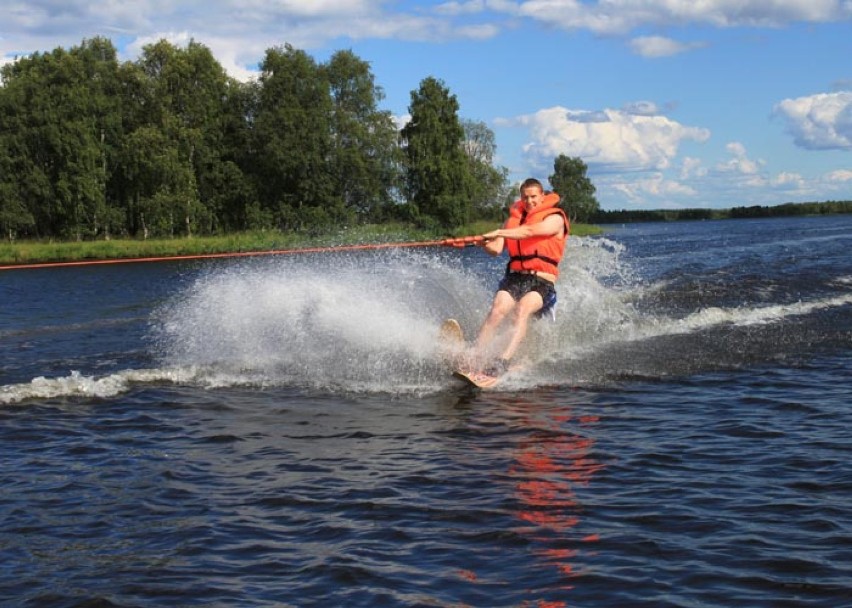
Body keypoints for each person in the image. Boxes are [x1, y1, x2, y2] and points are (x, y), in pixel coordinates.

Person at [471, 178, 570, 376]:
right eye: (525, 197)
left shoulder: (556, 219)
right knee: (497, 310)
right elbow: (497, 249)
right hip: (516, 277)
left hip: (542, 281)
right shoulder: (513, 220)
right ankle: (475, 356)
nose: (529, 201)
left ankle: (502, 361)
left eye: (534, 196)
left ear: (542, 196)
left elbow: (530, 231)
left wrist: (499, 231)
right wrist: (483, 243)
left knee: (520, 310)